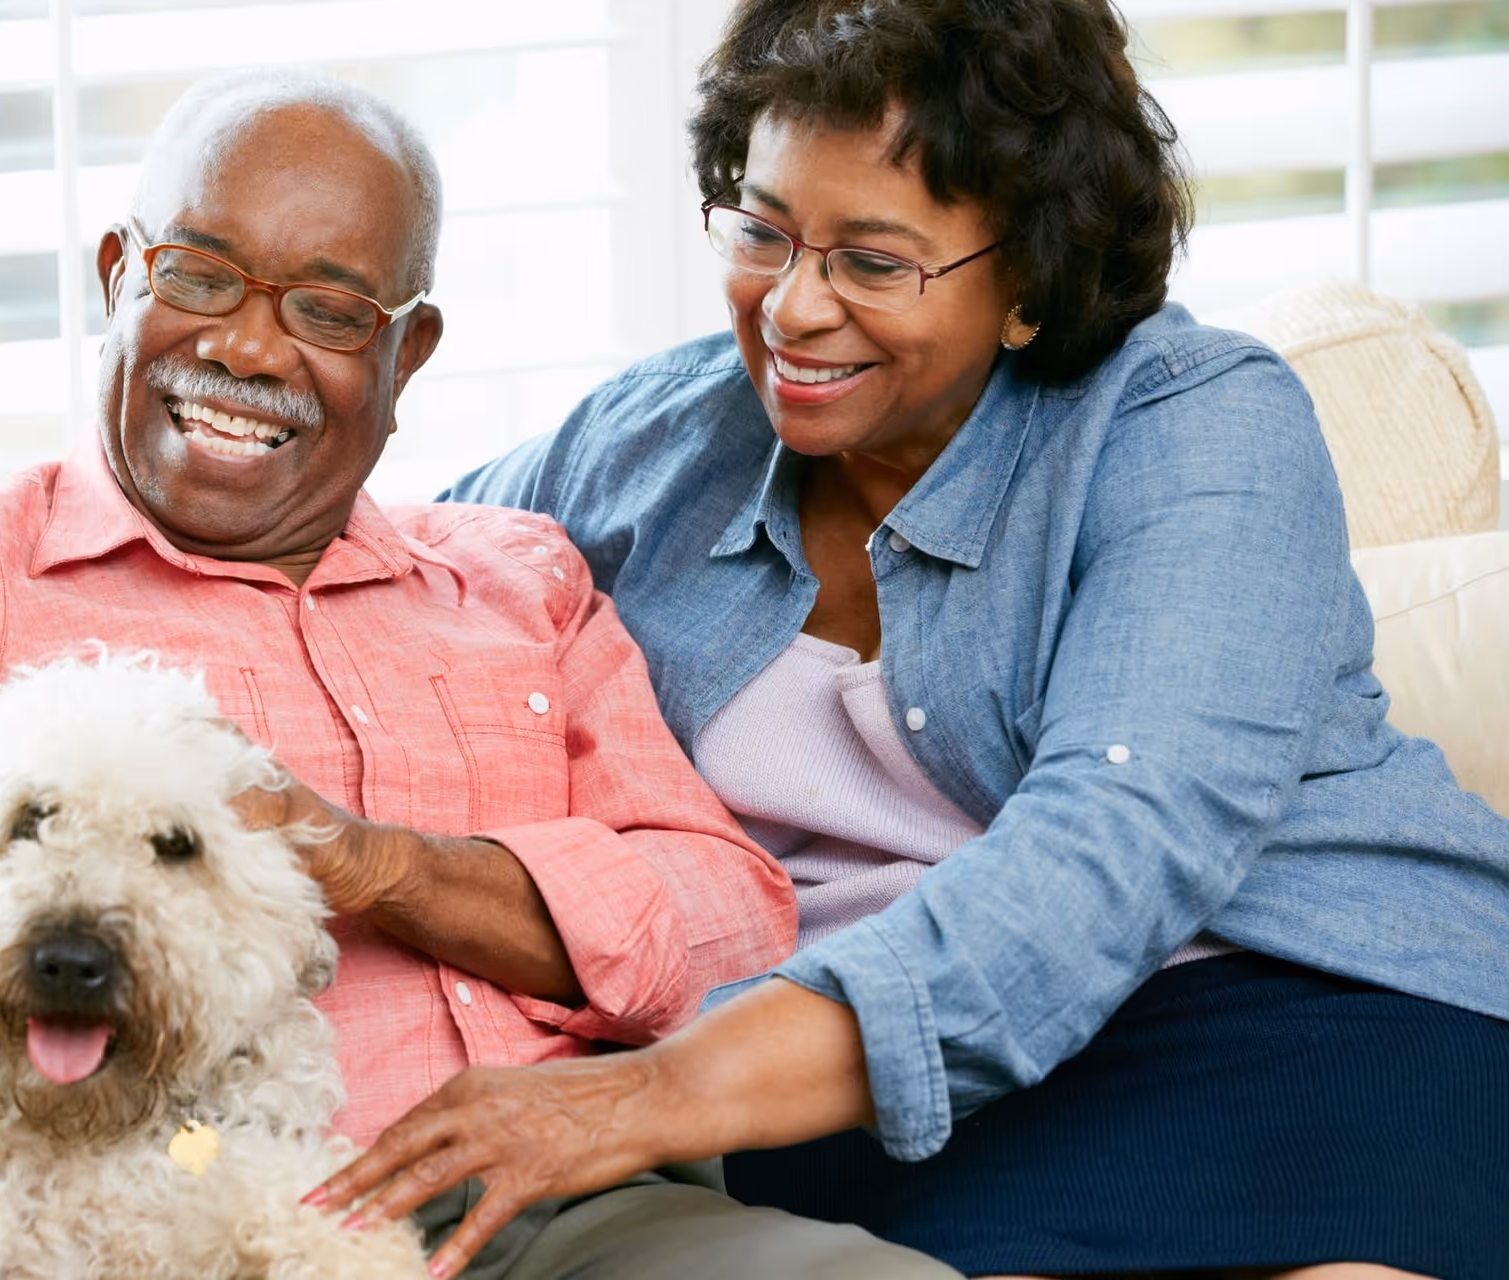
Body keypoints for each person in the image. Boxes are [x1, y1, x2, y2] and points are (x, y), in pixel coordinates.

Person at [0, 72, 957, 1280]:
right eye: (196, 274)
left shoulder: (517, 579)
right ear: (118, 271)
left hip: (572, 1213)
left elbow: (730, 914)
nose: (246, 347)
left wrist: (387, 870)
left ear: (406, 350)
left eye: (325, 308)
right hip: (166, 1228)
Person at [305, 2, 1509, 1279]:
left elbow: (1114, 850)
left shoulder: (1195, 424)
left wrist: (637, 1100)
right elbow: (375, 579)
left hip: (1275, 1013)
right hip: (858, 1108)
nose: (793, 308)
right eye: (763, 230)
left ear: (1032, 279)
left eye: (874, 262)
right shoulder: (653, 445)